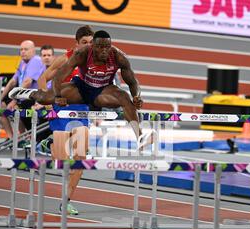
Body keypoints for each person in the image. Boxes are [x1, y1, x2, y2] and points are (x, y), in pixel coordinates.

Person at [9, 30, 149, 149]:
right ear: (93, 46)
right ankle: (27, 93)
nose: (104, 50)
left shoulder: (119, 57)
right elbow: (58, 77)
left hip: (103, 90)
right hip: (81, 88)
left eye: (107, 46)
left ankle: (140, 136)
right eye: (100, 47)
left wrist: (137, 96)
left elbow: (132, 81)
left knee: (125, 97)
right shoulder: (81, 54)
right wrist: (57, 96)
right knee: (45, 98)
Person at [34, 25, 95, 216]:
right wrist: (47, 105)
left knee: (79, 161)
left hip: (82, 112)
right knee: (63, 158)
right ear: (76, 44)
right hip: (62, 110)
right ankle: (50, 142)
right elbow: (43, 78)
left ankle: (65, 201)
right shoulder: (66, 58)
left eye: (91, 43)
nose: (88, 46)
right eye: (84, 42)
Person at [0, 40, 49, 147]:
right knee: (0, 106)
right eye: (21, 49)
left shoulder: (36, 61)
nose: (23, 52)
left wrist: (14, 99)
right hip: (22, 96)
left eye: (26, 49)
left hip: (32, 97)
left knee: (15, 107)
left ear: (33, 51)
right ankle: (12, 138)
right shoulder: (23, 63)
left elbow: (27, 82)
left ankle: (24, 137)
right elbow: (13, 81)